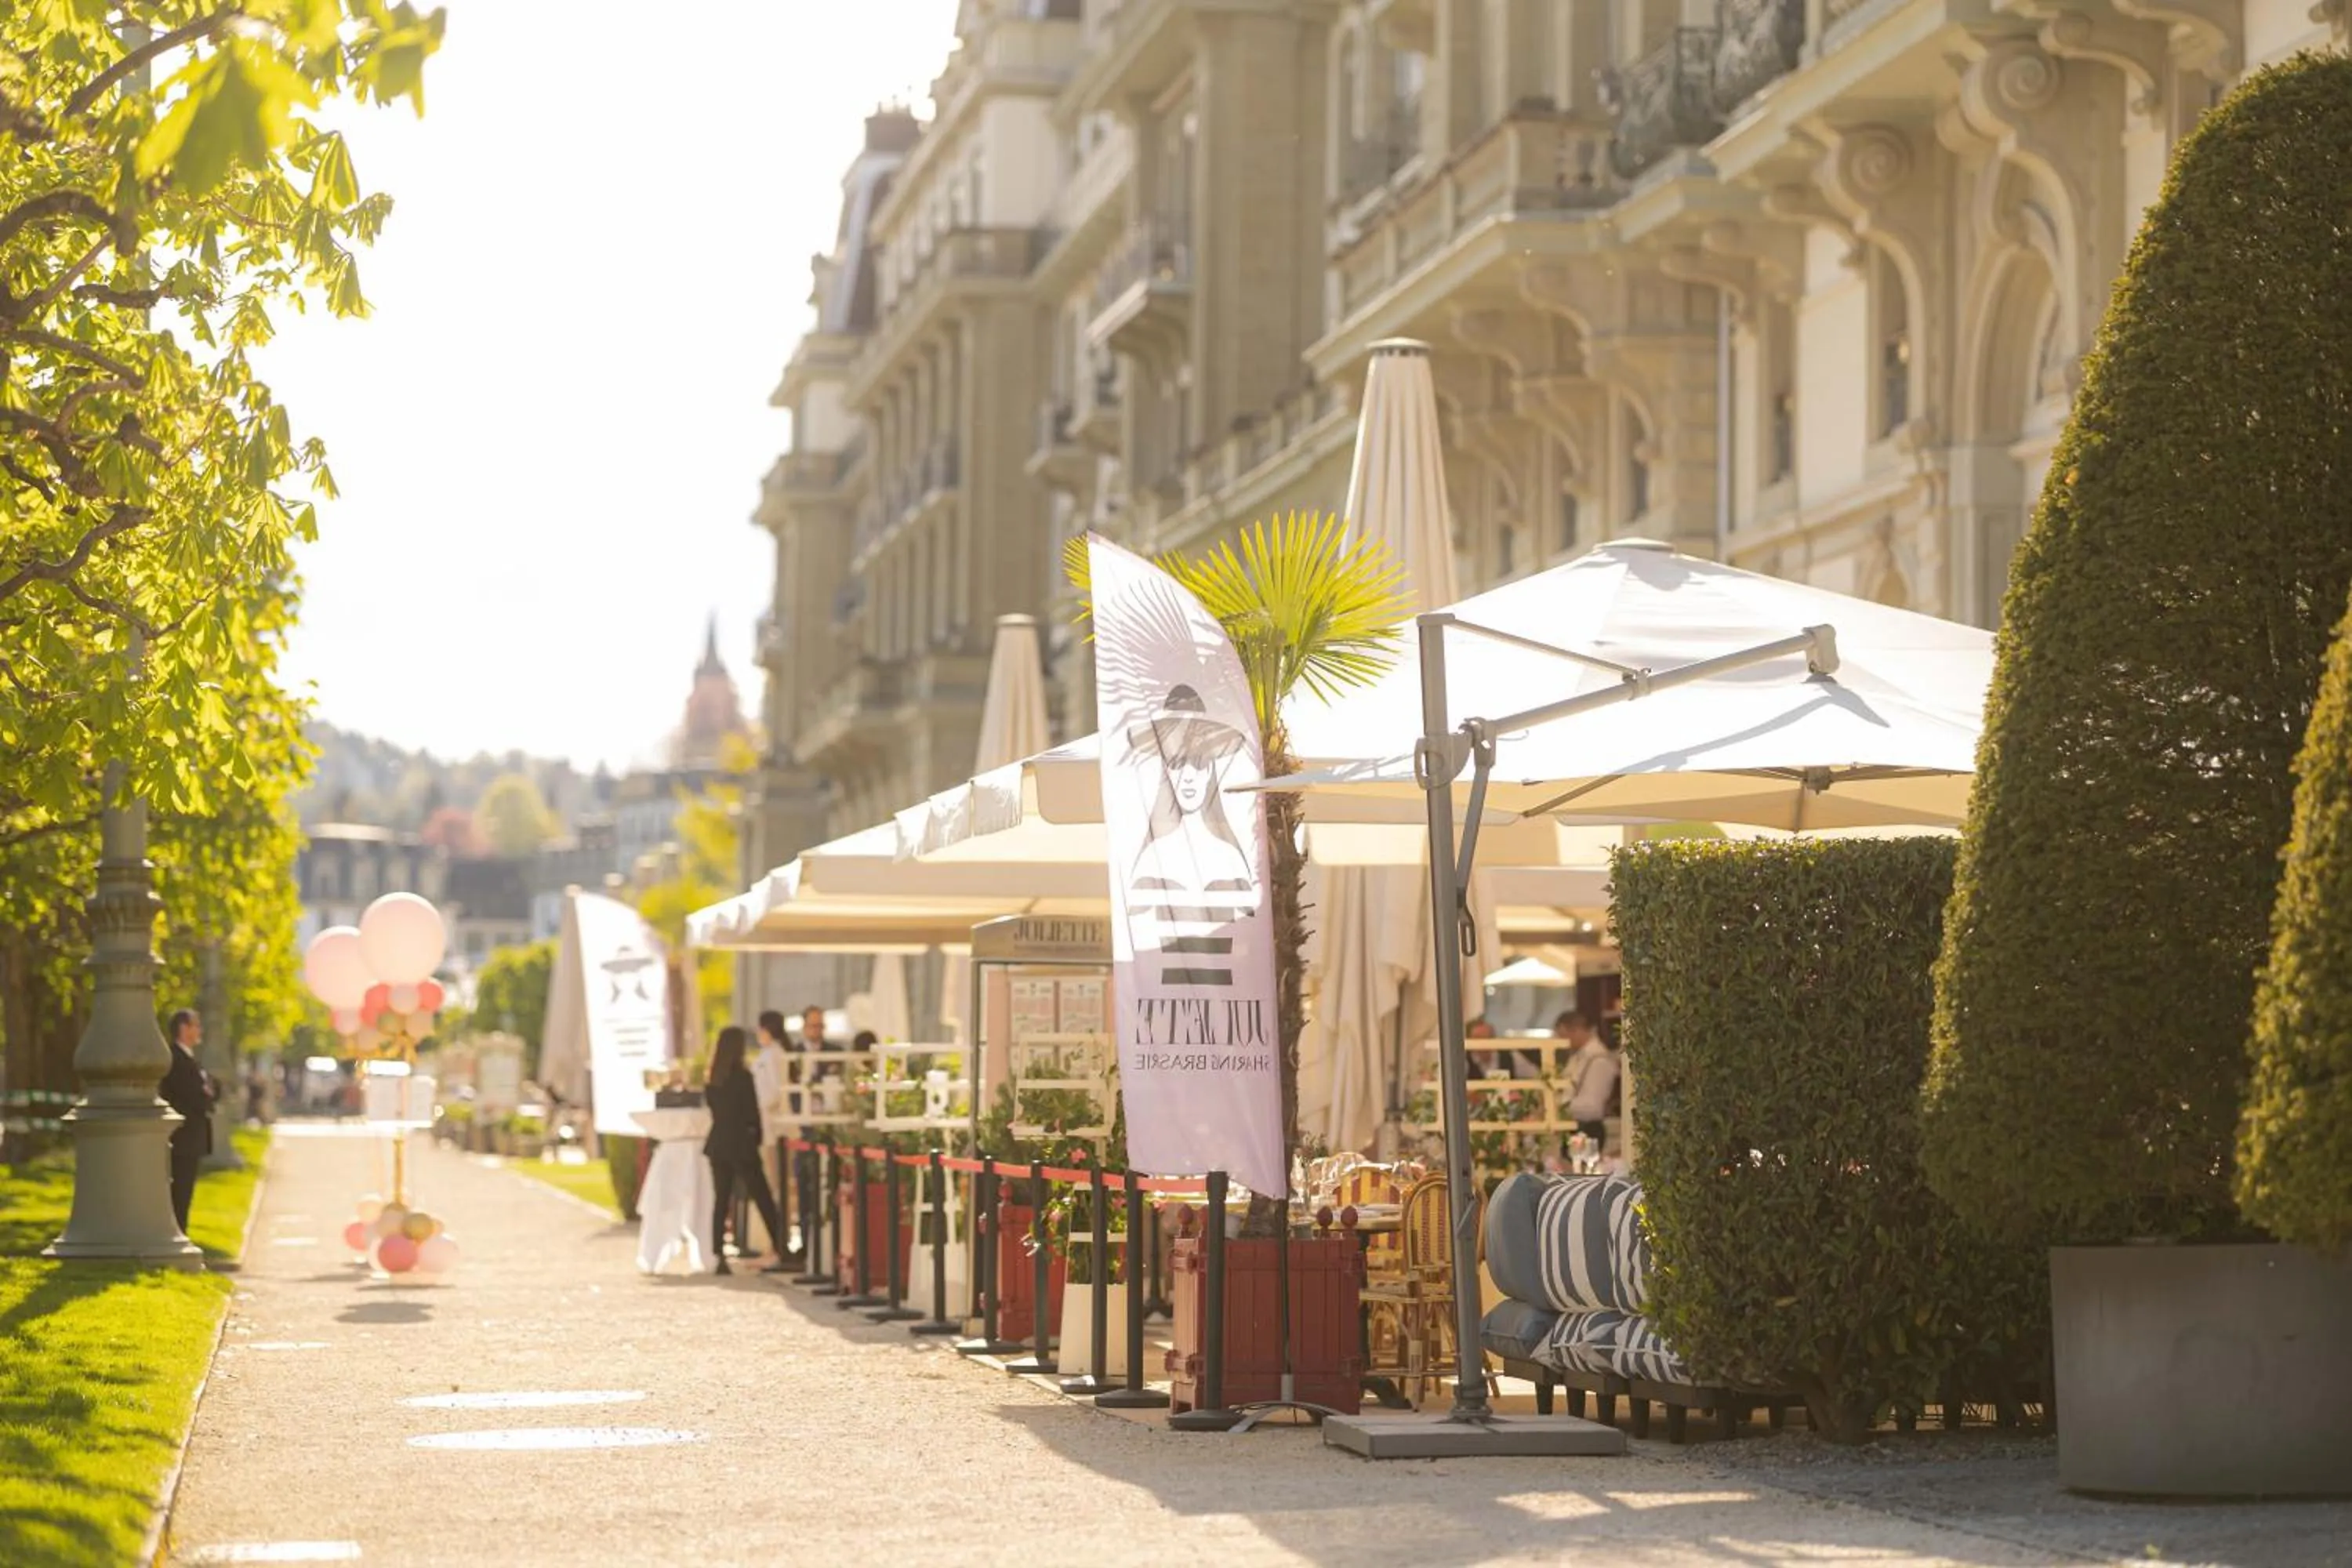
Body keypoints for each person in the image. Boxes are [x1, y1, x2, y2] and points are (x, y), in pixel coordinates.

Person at [702, 1026, 789, 1276]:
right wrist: (757, 1137)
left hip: (719, 1143)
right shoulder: (742, 1076)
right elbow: (752, 1111)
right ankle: (780, 1243)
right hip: (742, 1144)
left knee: (721, 1199)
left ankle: (718, 1253)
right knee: (762, 1196)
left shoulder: (713, 1079)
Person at [159, 1010, 216, 1233]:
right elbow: (195, 1096)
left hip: (191, 1138)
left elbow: (212, 1088)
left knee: (185, 1191)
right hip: (182, 1138)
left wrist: (209, 1092)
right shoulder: (176, 1059)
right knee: (180, 1191)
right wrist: (206, 1094)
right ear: (184, 1028)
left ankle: (181, 1232)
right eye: (196, 1025)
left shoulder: (190, 1058)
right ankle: (178, 1233)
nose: (199, 1030)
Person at [750, 1011, 796, 1261]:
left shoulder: (774, 1054)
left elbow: (775, 1092)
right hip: (769, 1128)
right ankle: (776, 1242)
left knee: (780, 1187)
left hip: (776, 1129)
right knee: (776, 1186)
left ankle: (779, 1244)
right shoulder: (769, 1054)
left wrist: (758, 1105)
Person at [1558, 1010, 1620, 1145]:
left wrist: (1558, 1106)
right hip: (1574, 1128)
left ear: (1576, 1030)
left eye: (1564, 1036)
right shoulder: (1578, 1057)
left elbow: (1593, 1108)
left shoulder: (1599, 1060)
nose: (1563, 1042)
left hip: (1587, 1131)